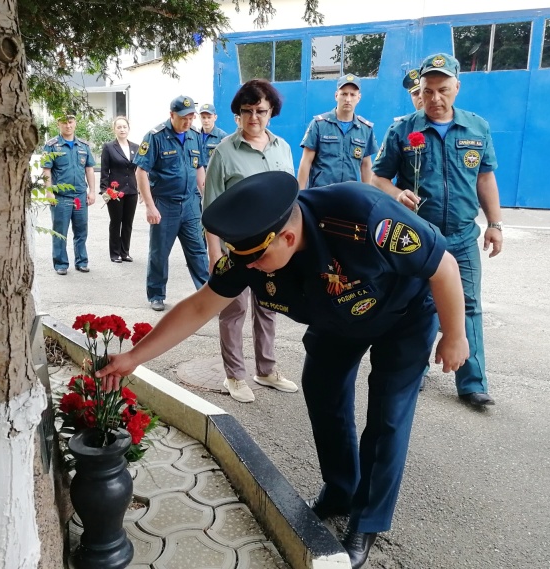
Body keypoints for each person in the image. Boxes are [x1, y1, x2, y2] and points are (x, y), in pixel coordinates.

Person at [96, 170, 469, 569]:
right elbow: (202, 305)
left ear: (287, 238)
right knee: (322, 391)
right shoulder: (252, 249)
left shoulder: (366, 217)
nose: (250, 269)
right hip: (338, 319)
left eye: (257, 260)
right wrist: (134, 357)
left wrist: (454, 334)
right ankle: (341, 489)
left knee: (388, 416)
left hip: (404, 314)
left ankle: (367, 521)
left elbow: (442, 267)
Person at [371, 53, 503, 408]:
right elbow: (377, 177)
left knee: (469, 305)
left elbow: (486, 177)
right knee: (417, 304)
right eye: (428, 91)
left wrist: (494, 223)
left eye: (443, 90)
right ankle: (416, 371)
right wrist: (397, 193)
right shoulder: (402, 129)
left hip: (462, 236)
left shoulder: (477, 127)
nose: (434, 99)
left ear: (457, 87)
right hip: (418, 237)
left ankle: (471, 382)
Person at [203, 79, 298, 403]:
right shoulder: (224, 153)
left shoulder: (283, 148)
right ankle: (235, 376)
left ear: (271, 112)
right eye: (247, 111)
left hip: (274, 251)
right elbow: (211, 207)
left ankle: (266, 370)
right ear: (237, 114)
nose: (254, 118)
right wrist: (214, 253)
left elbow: (291, 202)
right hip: (238, 249)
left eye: (260, 111)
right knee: (234, 310)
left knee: (268, 307)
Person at [133, 95, 210, 312]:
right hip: (164, 204)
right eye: (184, 117)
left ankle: (206, 293)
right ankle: (156, 294)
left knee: (198, 251)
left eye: (191, 117)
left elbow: (199, 168)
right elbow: (141, 171)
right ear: (172, 115)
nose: (188, 122)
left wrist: (206, 198)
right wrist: (150, 206)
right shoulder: (155, 136)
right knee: (159, 253)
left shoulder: (195, 136)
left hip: (190, 204)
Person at [296, 74, 377, 189]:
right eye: (344, 94)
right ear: (336, 96)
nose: (348, 99)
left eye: (352, 95)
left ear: (358, 98)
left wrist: (368, 196)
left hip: (350, 196)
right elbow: (306, 162)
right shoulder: (319, 125)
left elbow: (366, 166)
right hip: (321, 196)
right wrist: (300, 196)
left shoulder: (365, 129)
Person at [42, 112, 96, 275]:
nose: (68, 125)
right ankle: (61, 264)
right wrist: (49, 191)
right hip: (61, 197)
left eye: (71, 122)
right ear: (58, 124)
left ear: (75, 123)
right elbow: (46, 170)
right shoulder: (51, 145)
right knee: (60, 232)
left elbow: (89, 169)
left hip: (80, 195)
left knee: (81, 231)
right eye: (64, 122)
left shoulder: (83, 146)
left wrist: (92, 191)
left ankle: (81, 261)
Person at [100, 116, 140, 263]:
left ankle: (125, 252)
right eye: (119, 127)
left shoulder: (136, 147)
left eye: (124, 127)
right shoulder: (109, 147)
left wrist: (141, 189)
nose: (122, 129)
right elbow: (104, 170)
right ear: (114, 129)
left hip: (132, 191)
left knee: (128, 222)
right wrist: (104, 190)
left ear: (128, 129)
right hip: (115, 192)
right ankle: (115, 253)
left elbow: (140, 169)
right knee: (116, 222)